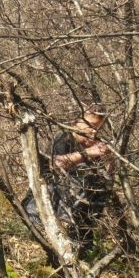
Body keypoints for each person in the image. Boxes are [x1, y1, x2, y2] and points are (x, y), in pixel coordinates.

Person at [44, 107, 114, 252]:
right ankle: (67, 236)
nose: (94, 131)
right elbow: (55, 164)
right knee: (82, 179)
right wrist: (87, 153)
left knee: (100, 185)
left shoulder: (94, 144)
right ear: (75, 123)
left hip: (82, 210)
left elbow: (107, 178)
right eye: (90, 126)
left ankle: (84, 241)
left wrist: (110, 160)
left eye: (98, 128)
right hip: (50, 203)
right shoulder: (63, 138)